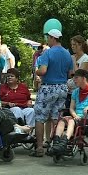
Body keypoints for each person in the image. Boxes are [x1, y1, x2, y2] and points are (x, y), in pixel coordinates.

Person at [31, 29, 73, 157]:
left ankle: (39, 148)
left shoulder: (48, 53)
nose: (47, 40)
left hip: (48, 87)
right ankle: (57, 144)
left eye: (48, 38)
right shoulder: (67, 54)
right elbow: (71, 73)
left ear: (52, 38)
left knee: (40, 117)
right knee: (56, 117)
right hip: (62, 87)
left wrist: (36, 71)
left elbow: (43, 71)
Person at [51, 69, 88, 154]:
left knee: (71, 121)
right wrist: (75, 115)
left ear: (84, 78)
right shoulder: (75, 92)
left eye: (76, 78)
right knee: (62, 120)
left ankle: (64, 143)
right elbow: (71, 108)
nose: (74, 80)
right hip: (76, 116)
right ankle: (56, 142)